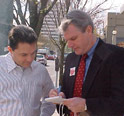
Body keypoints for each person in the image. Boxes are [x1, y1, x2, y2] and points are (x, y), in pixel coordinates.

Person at [49, 10, 124, 116]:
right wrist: (60, 97)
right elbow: (66, 90)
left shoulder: (116, 56)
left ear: (89, 30)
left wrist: (86, 105)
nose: (69, 45)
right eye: (67, 40)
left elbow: (120, 102)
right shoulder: (71, 58)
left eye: (73, 38)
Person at [0, 25, 55, 116]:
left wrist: (44, 114)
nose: (30, 59)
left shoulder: (41, 71)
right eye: (24, 55)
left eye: (33, 53)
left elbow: (50, 97)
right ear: (10, 50)